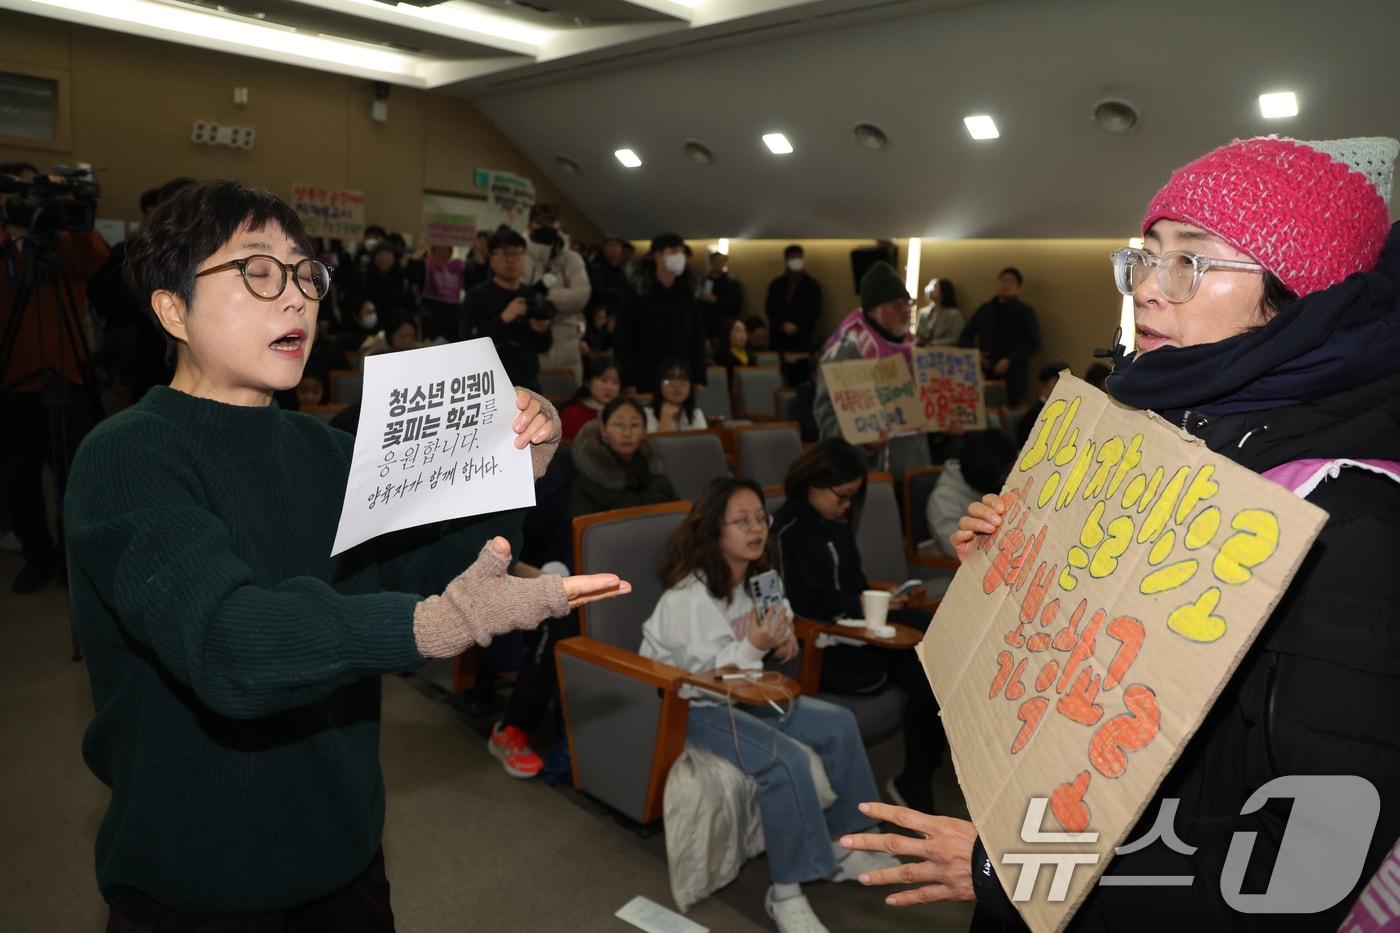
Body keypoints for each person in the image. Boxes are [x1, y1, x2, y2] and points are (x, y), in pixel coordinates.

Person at [842, 135, 1400, 932]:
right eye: (1145, 257)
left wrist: (1015, 872)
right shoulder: (1149, 434)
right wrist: (1011, 569)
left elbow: (1313, 858)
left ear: (1296, 296)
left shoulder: (1349, 519)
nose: (1146, 290)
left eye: (1190, 263)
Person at [63, 180, 629, 928]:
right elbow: (226, 640)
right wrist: (425, 626)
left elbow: (421, 581)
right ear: (172, 307)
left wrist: (514, 466)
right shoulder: (128, 455)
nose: (296, 297)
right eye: (258, 271)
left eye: (305, 274)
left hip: (345, 854)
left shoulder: (324, 451)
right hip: (196, 877)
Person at [640, 477, 898, 933]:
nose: (756, 528)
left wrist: (781, 644)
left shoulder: (760, 579)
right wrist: (755, 646)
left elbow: (778, 638)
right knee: (787, 762)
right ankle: (786, 893)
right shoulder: (689, 597)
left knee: (838, 723)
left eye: (761, 517)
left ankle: (845, 844)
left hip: (748, 694)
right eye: (742, 521)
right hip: (692, 706)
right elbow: (706, 679)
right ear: (713, 530)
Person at [771, 439, 943, 813]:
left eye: (852, 497)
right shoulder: (787, 530)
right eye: (842, 496)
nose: (847, 506)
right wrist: (859, 604)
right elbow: (800, 605)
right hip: (825, 638)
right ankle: (917, 779)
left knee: (933, 634)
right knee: (924, 673)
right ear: (813, 483)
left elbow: (853, 580)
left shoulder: (835, 524)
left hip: (857, 626)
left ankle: (919, 776)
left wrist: (880, 599)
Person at [0, 169, 110, 594]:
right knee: (19, 479)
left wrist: (73, 217)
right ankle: (37, 557)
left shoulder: (65, 244)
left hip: (65, 372)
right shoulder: (8, 247)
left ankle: (73, 558)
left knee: (75, 477)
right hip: (14, 381)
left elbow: (94, 259)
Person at [812, 260, 931, 473]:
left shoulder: (912, 348)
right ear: (875, 309)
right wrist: (863, 442)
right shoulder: (848, 350)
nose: (905, 310)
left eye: (908, 303)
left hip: (913, 466)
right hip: (865, 472)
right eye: (897, 305)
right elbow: (825, 415)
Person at [463, 226, 554, 393]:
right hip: (491, 381)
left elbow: (545, 346)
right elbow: (470, 342)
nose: (511, 260)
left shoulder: (531, 294)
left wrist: (541, 330)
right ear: (492, 259)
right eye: (504, 254)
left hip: (528, 379)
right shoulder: (477, 295)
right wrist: (504, 318)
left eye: (517, 254)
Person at [615, 233, 707, 395]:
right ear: (658, 256)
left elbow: (696, 338)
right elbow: (624, 339)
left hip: (679, 372)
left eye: (681, 252)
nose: (679, 257)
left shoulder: (687, 294)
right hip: (644, 371)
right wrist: (627, 380)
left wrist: (699, 377)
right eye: (673, 252)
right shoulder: (638, 293)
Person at [569, 396, 677, 516]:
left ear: (644, 431)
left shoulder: (654, 473)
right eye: (619, 424)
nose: (627, 433)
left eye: (635, 425)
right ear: (604, 430)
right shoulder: (588, 481)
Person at [921, 429, 1018, 559]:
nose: (1011, 477)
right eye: (1006, 474)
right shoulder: (942, 501)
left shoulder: (995, 481)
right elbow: (955, 550)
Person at [524, 203, 592, 383]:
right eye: (540, 222)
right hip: (531, 343)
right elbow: (520, 298)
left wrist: (542, 295)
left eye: (551, 221)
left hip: (568, 348)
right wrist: (561, 297)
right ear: (531, 225)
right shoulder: (522, 257)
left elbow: (581, 296)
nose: (546, 226)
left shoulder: (572, 258)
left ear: (558, 224)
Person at [958, 267, 1041, 406]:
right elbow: (965, 337)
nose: (1005, 285)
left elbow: (1033, 343)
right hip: (984, 371)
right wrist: (976, 354)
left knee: (1010, 414)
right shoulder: (985, 309)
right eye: (1003, 281)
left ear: (1018, 288)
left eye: (1011, 282)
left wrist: (1010, 360)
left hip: (1013, 375)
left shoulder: (1025, 312)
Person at [766, 244, 822, 353]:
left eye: (799, 257)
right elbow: (770, 308)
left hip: (802, 338)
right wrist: (782, 325)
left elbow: (814, 310)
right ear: (786, 261)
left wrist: (798, 326)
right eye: (793, 258)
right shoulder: (776, 284)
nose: (797, 261)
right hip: (779, 337)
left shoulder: (811, 285)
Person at [407, 240, 464, 341]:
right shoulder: (425, 266)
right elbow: (411, 276)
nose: (442, 252)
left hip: (453, 317)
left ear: (450, 251)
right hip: (431, 316)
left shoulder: (458, 266)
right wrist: (416, 257)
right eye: (438, 249)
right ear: (433, 251)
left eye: (445, 249)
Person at [558, 353, 620, 443]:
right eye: (603, 380)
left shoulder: (624, 412)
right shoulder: (571, 415)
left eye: (615, 382)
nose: (609, 387)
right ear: (587, 382)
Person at [356, 240, 417, 320]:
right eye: (379, 254)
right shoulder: (363, 278)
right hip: (368, 323)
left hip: (394, 324)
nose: (383, 258)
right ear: (373, 258)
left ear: (394, 258)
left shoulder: (402, 280)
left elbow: (410, 306)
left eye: (387, 254)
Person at [646, 358, 708, 433]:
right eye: (670, 378)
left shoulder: (696, 413)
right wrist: (666, 418)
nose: (677, 385)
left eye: (683, 378)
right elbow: (654, 444)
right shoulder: (647, 414)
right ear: (659, 384)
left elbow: (703, 443)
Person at [1015, 361, 1069, 446]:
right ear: (1043, 386)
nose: (1063, 387)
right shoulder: (1034, 415)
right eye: (1055, 382)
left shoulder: (1070, 410)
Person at [699, 248, 744, 341]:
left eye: (721, 261)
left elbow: (736, 305)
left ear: (725, 263)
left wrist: (716, 300)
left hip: (724, 324)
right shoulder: (705, 281)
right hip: (706, 324)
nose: (718, 263)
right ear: (710, 262)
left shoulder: (732, 283)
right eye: (715, 261)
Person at [915, 278, 964, 347]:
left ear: (944, 290)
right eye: (929, 286)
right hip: (922, 354)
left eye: (934, 286)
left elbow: (957, 339)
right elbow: (918, 336)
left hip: (944, 354)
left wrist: (933, 344)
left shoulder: (954, 314)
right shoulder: (922, 313)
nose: (929, 290)